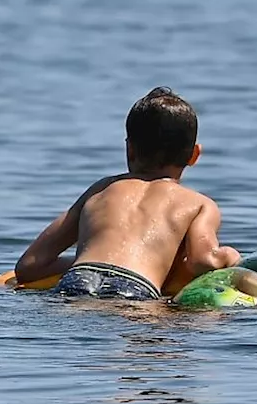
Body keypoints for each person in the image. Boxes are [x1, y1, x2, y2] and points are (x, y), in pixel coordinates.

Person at [14, 87, 240, 300]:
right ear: (194, 155)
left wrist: (83, 262)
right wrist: (230, 255)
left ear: (129, 148)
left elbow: (30, 265)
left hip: (78, 278)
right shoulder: (200, 205)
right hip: (136, 287)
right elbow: (203, 262)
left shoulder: (102, 188)